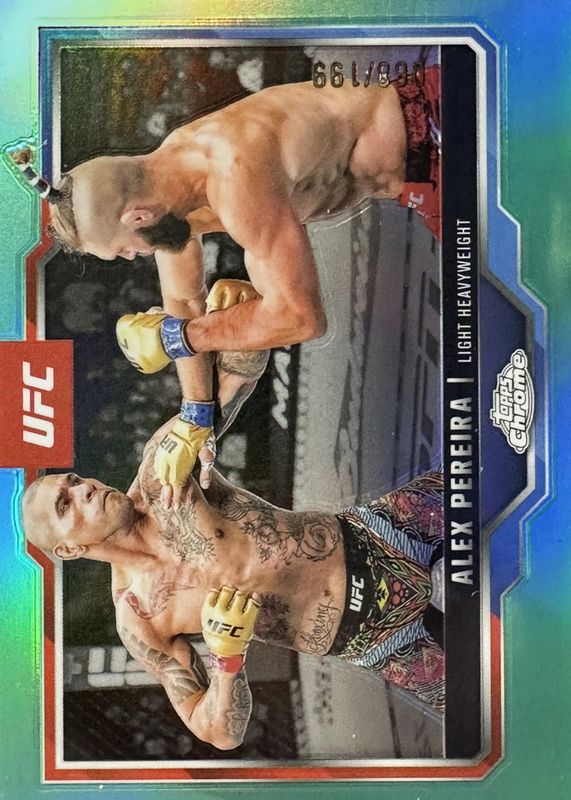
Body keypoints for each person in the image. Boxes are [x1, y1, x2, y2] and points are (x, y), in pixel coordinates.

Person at [13, 65, 440, 510]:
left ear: (137, 217)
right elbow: (182, 300)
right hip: (412, 176)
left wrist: (178, 337)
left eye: (122, 250)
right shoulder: (169, 185)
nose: (131, 257)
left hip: (434, 129)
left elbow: (301, 317)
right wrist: (194, 418)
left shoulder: (234, 174)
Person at [22, 388, 445, 750]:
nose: (84, 489)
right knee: (485, 704)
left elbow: (235, 374)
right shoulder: (139, 619)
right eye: (65, 504)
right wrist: (226, 660)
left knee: (481, 471)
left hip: (383, 532)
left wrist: (194, 410)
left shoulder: (159, 474)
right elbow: (218, 733)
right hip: (381, 640)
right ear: (70, 549)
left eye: (74, 481)